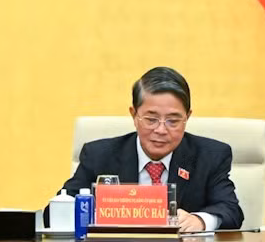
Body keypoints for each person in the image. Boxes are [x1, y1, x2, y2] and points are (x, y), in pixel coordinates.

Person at [61, 67, 243, 233]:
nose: (161, 130)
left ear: (187, 117)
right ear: (134, 115)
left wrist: (200, 221)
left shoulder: (211, 156)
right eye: (151, 119)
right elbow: (57, 212)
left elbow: (231, 211)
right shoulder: (99, 155)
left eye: (173, 121)